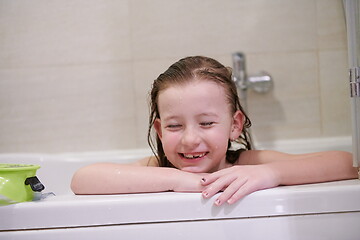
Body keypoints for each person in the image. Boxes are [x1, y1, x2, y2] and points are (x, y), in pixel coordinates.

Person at [71, 56, 358, 206]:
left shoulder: (246, 164)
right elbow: (83, 179)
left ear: (234, 125)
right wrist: (175, 180)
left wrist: (270, 174)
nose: (190, 139)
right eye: (174, 125)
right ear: (159, 130)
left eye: (206, 123)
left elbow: (348, 164)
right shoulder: (157, 168)